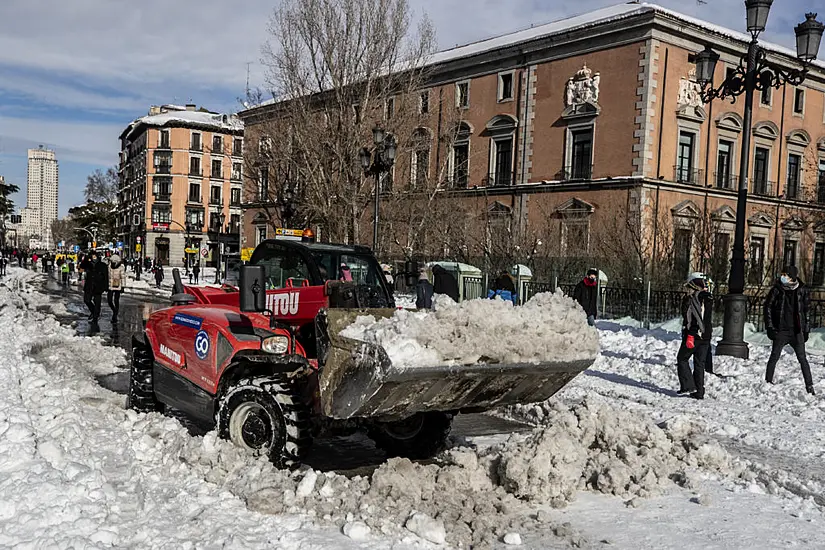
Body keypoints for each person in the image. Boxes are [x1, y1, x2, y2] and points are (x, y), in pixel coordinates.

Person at [764, 265, 815, 395]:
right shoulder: (777, 289)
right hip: (781, 329)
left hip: (797, 331)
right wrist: (770, 327)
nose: (783, 277)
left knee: (802, 359)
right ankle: (767, 382)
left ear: (792, 277)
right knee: (774, 356)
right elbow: (768, 307)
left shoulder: (802, 290)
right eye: (783, 274)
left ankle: (809, 387)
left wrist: (806, 329)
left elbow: (807, 311)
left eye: (785, 275)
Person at [676, 272, 713, 400]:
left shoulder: (695, 299)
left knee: (682, 358)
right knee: (699, 364)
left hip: (695, 335)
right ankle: (699, 391)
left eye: (690, 288)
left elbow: (694, 318)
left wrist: (691, 334)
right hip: (706, 336)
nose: (688, 290)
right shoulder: (708, 298)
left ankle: (688, 386)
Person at [81, 252, 109, 323]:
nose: (93, 257)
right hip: (89, 285)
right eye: (92, 256)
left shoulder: (102, 265)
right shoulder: (88, 264)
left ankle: (95, 317)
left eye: (94, 256)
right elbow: (82, 266)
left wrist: (105, 286)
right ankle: (93, 312)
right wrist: (86, 258)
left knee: (97, 302)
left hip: (98, 286)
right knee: (87, 300)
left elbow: (106, 277)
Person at [108, 254, 126, 322]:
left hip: (118, 286)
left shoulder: (121, 267)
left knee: (116, 301)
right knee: (109, 300)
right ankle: (114, 310)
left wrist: (123, 286)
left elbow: (123, 277)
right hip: (110, 286)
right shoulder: (109, 266)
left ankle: (115, 316)